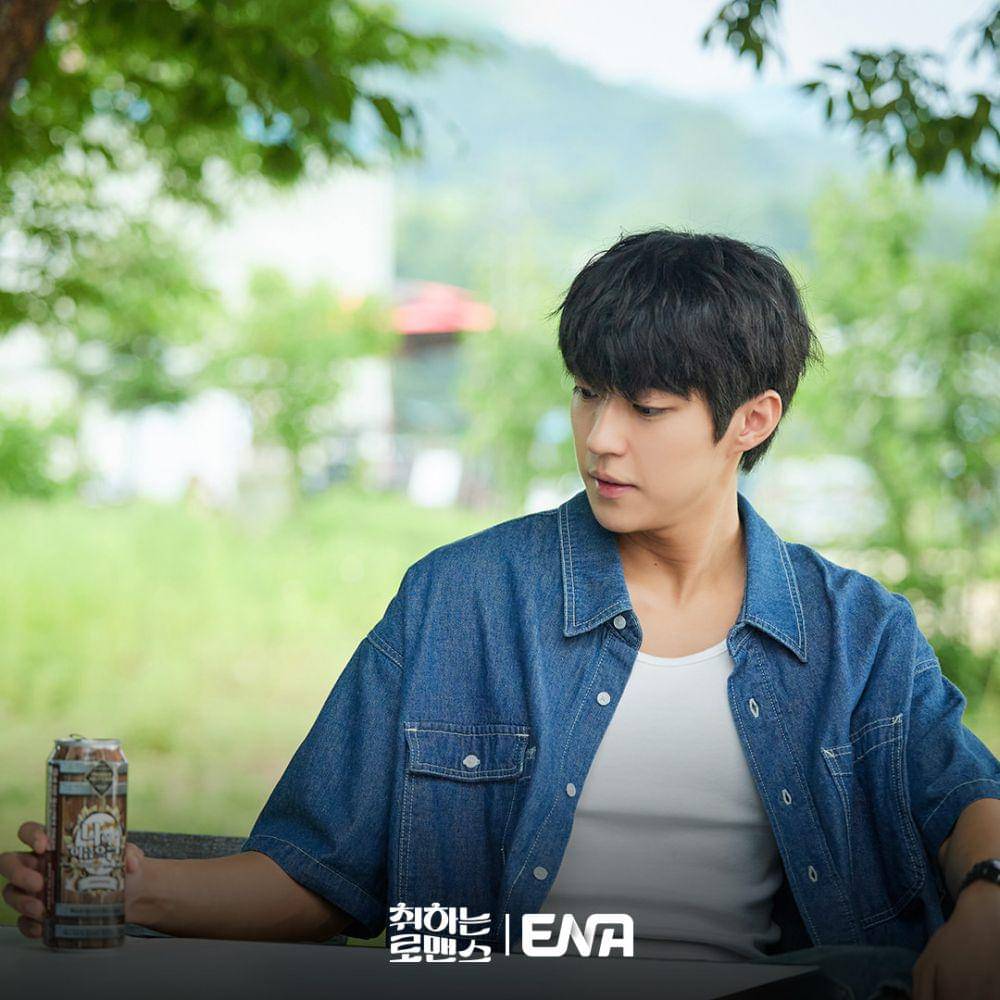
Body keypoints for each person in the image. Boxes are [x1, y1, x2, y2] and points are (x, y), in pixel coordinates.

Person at [4, 230, 999, 999]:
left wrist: (988, 906)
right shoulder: (458, 599)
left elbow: (963, 798)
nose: (600, 437)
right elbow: (320, 875)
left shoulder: (857, 631)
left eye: (646, 408)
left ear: (752, 419)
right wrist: (136, 888)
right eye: (586, 394)